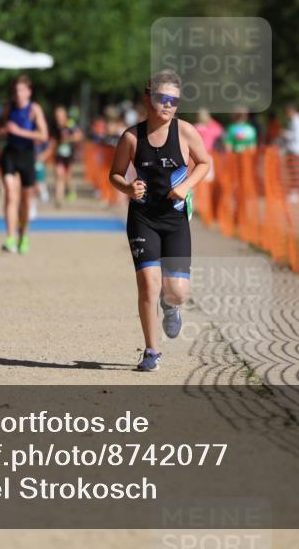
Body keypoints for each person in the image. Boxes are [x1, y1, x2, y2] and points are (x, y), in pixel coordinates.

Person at [109, 69, 212, 372]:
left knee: (176, 291)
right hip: (142, 218)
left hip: (175, 219)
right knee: (147, 285)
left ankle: (171, 307)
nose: (168, 105)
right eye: (161, 98)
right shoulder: (131, 137)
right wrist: (127, 187)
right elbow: (113, 174)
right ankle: (151, 351)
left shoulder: (185, 132)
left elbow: (205, 163)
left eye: (174, 101)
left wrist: (186, 186)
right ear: (147, 98)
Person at [0, 75, 49, 254]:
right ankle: (10, 238)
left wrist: (20, 131)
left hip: (27, 155)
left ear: (29, 92)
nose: (18, 94)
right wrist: (2, 132)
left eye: (21, 90)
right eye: (15, 90)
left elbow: (44, 135)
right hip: (10, 153)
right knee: (11, 194)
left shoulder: (34, 109)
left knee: (26, 200)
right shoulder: (8, 108)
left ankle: (23, 235)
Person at [51, 105, 83, 207]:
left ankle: (71, 190)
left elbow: (79, 136)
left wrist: (68, 139)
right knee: (59, 175)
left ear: (65, 115)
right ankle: (58, 199)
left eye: (60, 115)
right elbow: (52, 140)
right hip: (58, 155)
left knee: (67, 176)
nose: (58, 118)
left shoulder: (70, 124)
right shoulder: (54, 126)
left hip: (69, 155)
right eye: (57, 116)